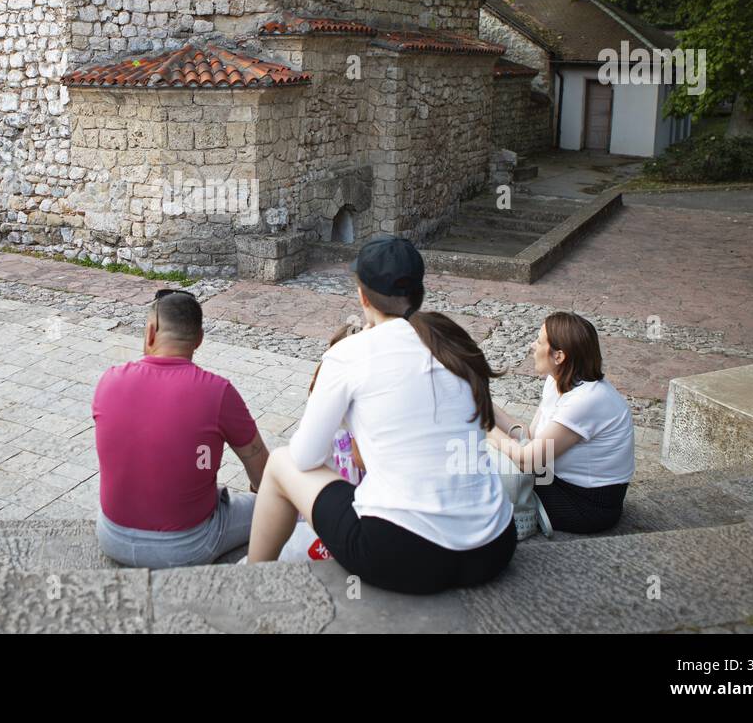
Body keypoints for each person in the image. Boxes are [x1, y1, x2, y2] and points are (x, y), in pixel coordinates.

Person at [247, 236, 516, 595]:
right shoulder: (451, 342)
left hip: (405, 555)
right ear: (418, 293)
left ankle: (250, 580)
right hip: (493, 546)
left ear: (362, 296)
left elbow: (306, 457)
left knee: (281, 462)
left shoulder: (349, 354)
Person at [92, 288, 270, 568]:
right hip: (187, 546)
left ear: (150, 332)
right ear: (198, 340)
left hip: (113, 536)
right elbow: (259, 466)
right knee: (278, 501)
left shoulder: (109, 380)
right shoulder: (218, 392)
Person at [487, 312, 634, 534]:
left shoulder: (588, 400)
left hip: (587, 505)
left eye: (538, 340)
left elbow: (529, 461)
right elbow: (530, 437)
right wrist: (481, 402)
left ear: (559, 356)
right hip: (556, 480)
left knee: (485, 475)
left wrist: (484, 427)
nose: (532, 346)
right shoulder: (558, 381)